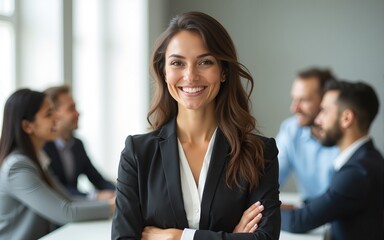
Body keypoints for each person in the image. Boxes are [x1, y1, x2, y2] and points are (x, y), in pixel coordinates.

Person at [112, 11, 280, 240]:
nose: (190, 76)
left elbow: (266, 239)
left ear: (223, 71)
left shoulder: (259, 152)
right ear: (164, 72)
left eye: (205, 62)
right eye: (177, 63)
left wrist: (178, 237)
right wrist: (230, 236)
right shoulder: (138, 154)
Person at [0, 89, 114, 239]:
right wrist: (113, 206)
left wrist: (112, 202)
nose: (57, 117)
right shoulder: (17, 167)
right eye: (48, 114)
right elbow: (65, 212)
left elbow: (67, 199)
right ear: (28, 126)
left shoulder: (37, 159)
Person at [281, 81, 383, 240]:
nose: (317, 120)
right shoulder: (366, 159)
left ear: (347, 118)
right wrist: (297, 207)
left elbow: (298, 222)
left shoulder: (357, 172)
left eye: (324, 111)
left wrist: (265, 210)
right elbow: (333, 200)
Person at [276, 67, 339, 201]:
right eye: (294, 99)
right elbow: (272, 178)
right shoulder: (290, 129)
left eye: (303, 100)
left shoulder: (345, 134)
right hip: (308, 214)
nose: (294, 108)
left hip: (341, 215)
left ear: (325, 100)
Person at [43, 85, 115, 200]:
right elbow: (54, 188)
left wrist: (119, 192)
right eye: (71, 109)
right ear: (54, 114)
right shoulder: (43, 147)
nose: (77, 113)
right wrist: (94, 196)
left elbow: (97, 179)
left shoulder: (77, 144)